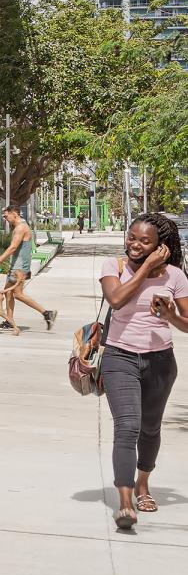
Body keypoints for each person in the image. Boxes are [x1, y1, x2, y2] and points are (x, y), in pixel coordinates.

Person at [99, 214, 188, 530]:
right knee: (127, 426)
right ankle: (124, 503)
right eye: (131, 237)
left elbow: (187, 323)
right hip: (119, 357)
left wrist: (170, 316)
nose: (134, 244)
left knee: (150, 428)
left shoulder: (176, 276)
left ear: (161, 246)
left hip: (161, 362)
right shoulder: (115, 267)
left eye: (144, 241)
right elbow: (117, 300)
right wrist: (147, 268)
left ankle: (143, 484)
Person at [0, 204, 57, 331]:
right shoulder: (19, 226)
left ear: (14, 214)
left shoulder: (21, 228)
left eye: (6, 216)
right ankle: (9, 320)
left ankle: (46, 313)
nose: (5, 218)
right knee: (8, 292)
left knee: (18, 294)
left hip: (19, 267)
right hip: (17, 265)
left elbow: (13, 247)